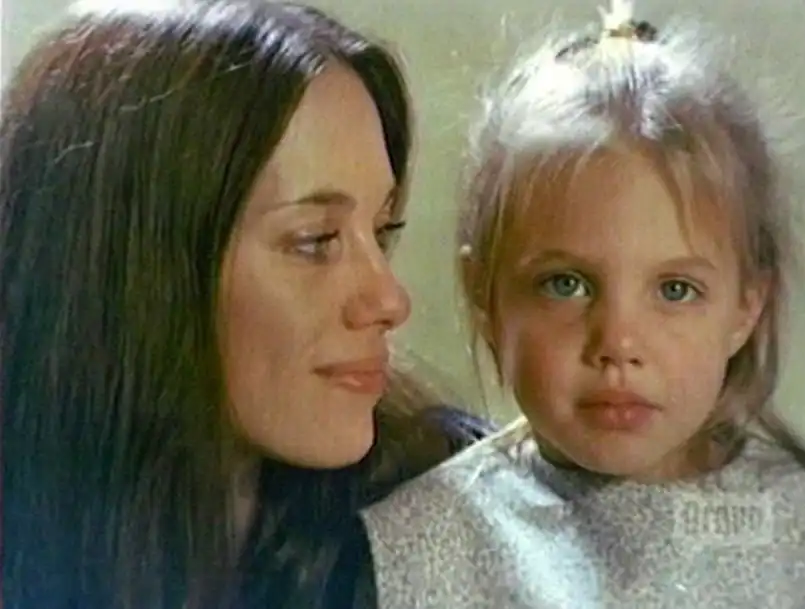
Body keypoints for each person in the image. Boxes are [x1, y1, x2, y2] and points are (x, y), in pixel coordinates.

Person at [0, 1, 493, 608]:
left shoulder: (457, 516)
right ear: (139, 269)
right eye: (315, 240)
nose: (389, 300)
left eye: (382, 231)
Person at [360, 1, 805, 607]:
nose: (617, 343)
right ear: (483, 291)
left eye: (675, 290)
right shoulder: (420, 546)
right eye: (566, 284)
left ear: (747, 306)